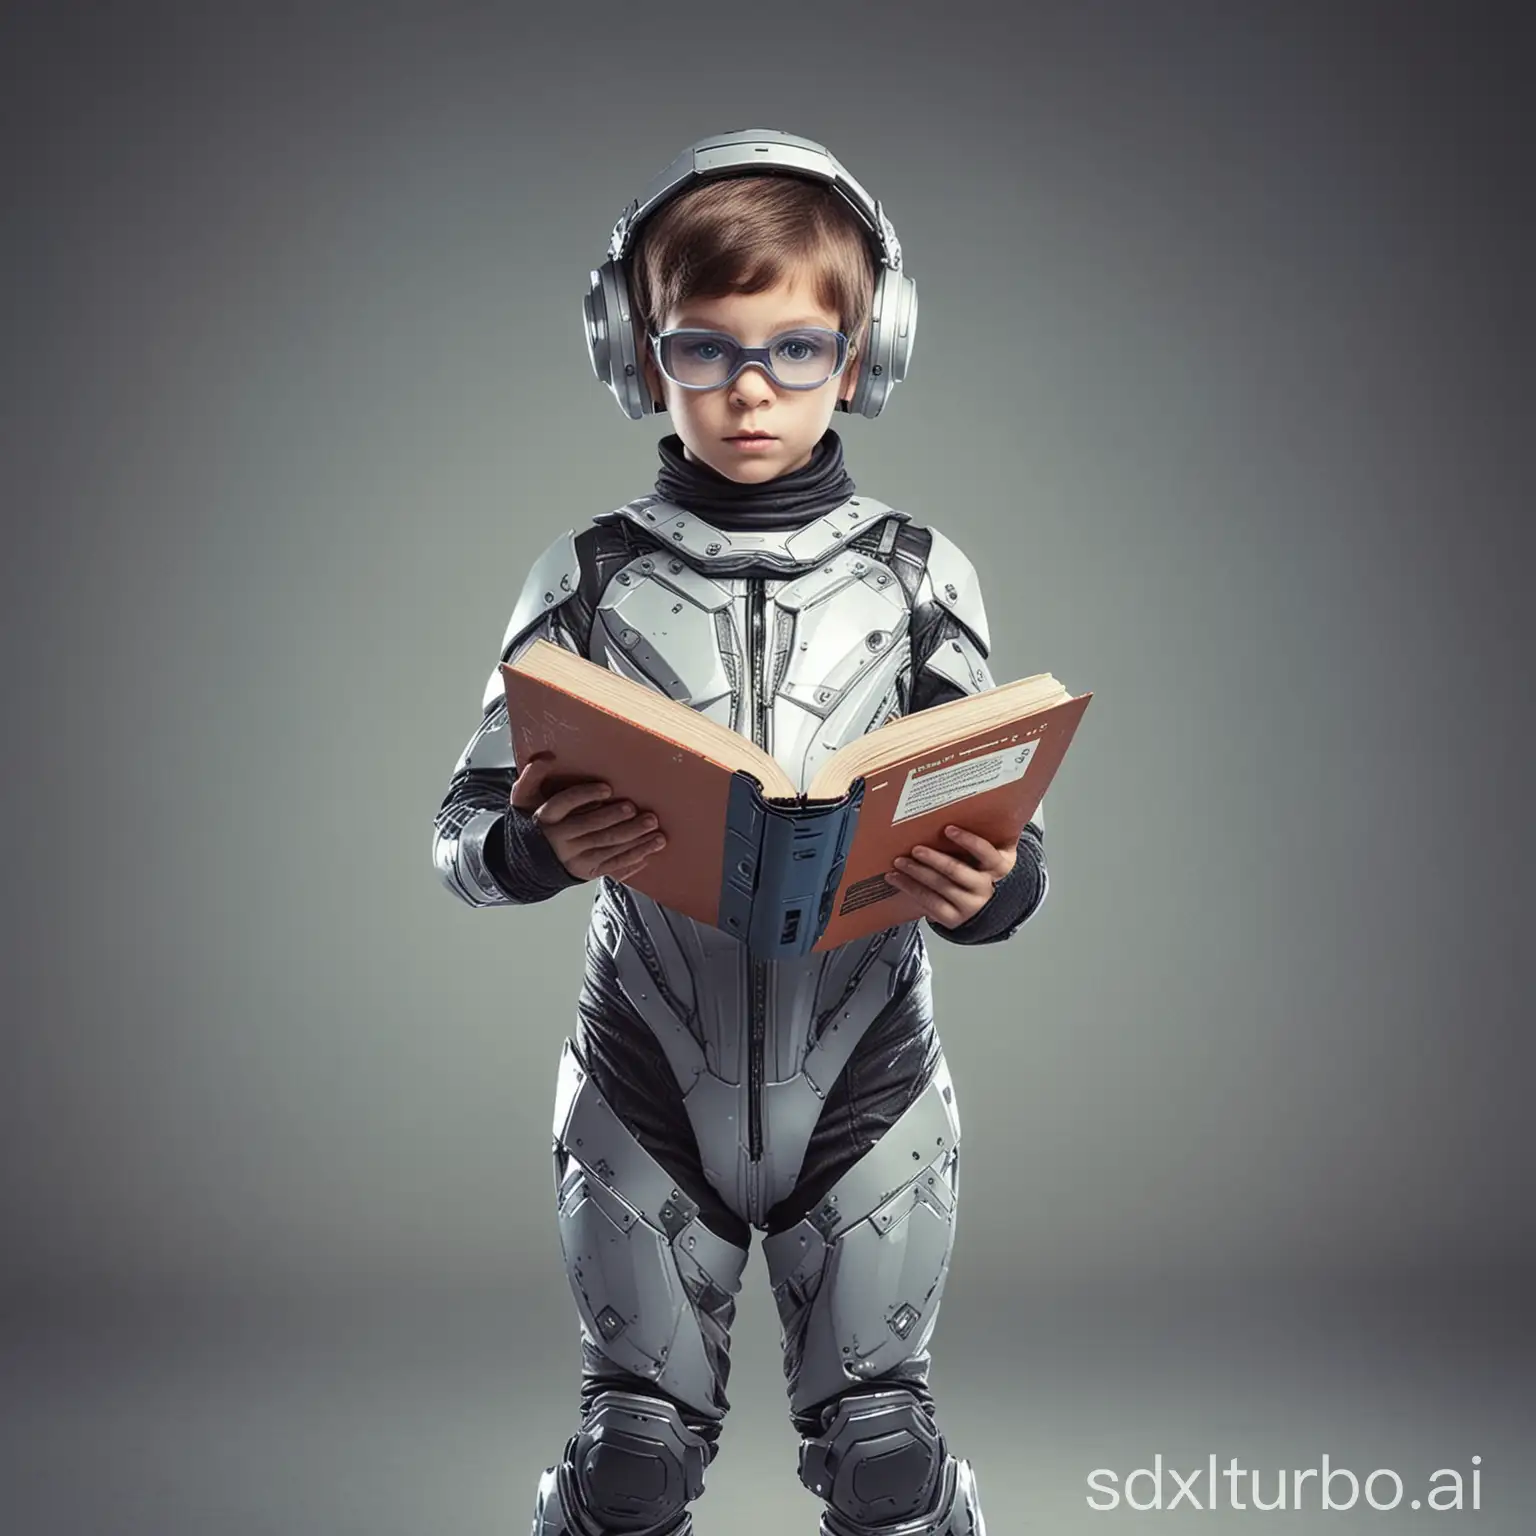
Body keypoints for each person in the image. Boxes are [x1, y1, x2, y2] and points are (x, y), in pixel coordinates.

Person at [433, 130, 1047, 1536]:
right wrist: (538, 847)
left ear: (866, 351)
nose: (752, 388)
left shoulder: (918, 575)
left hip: (867, 1075)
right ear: (636, 351)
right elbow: (462, 832)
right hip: (648, 1072)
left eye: (797, 349)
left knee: (888, 1461)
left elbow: (999, 827)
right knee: (628, 1473)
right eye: (704, 349)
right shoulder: (584, 577)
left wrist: (991, 885)